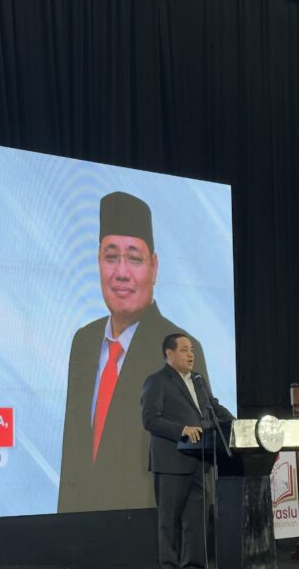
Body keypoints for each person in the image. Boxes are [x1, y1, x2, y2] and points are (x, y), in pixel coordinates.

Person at [58, 192, 211, 513]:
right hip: (83, 525)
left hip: (148, 520)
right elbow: (72, 454)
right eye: (111, 256)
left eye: (135, 258)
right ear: (98, 261)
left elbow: (199, 443)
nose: (122, 272)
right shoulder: (84, 341)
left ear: (154, 267)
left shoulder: (179, 347)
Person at [142, 333, 234, 569]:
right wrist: (182, 430)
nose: (191, 354)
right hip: (171, 463)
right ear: (169, 354)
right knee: (169, 523)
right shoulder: (157, 381)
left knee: (197, 523)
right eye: (184, 350)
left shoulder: (198, 381)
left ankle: (194, 566)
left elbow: (214, 409)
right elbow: (150, 420)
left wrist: (238, 425)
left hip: (200, 461)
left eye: (192, 349)